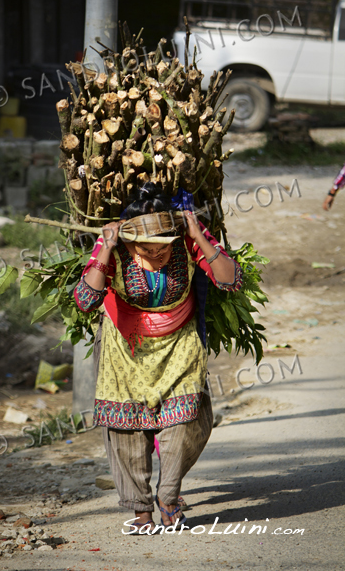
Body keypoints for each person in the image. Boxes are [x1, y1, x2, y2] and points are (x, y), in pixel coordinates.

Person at [74, 182, 243, 532]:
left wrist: (197, 232)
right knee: (126, 429)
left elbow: (230, 281)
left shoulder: (185, 242)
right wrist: (105, 247)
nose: (159, 253)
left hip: (179, 346)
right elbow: (85, 300)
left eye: (165, 245)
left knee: (184, 424)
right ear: (132, 241)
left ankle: (168, 498)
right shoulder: (115, 250)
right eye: (148, 248)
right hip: (126, 351)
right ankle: (140, 512)